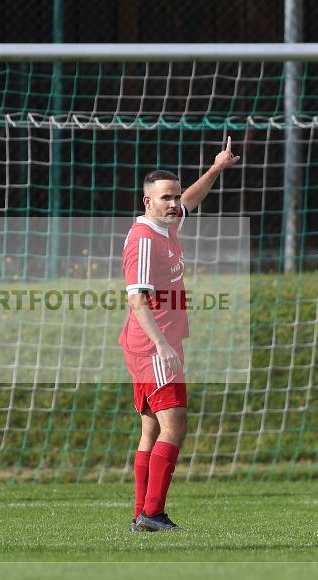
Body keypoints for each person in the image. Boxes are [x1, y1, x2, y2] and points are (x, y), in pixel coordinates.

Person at [120, 138, 240, 532]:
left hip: (154, 343)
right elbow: (136, 299)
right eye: (166, 198)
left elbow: (191, 198)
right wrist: (162, 345)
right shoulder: (144, 241)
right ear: (147, 202)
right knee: (176, 425)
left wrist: (216, 168)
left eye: (174, 197)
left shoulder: (165, 223)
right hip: (154, 345)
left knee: (152, 428)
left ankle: (142, 514)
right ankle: (152, 513)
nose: (174, 204)